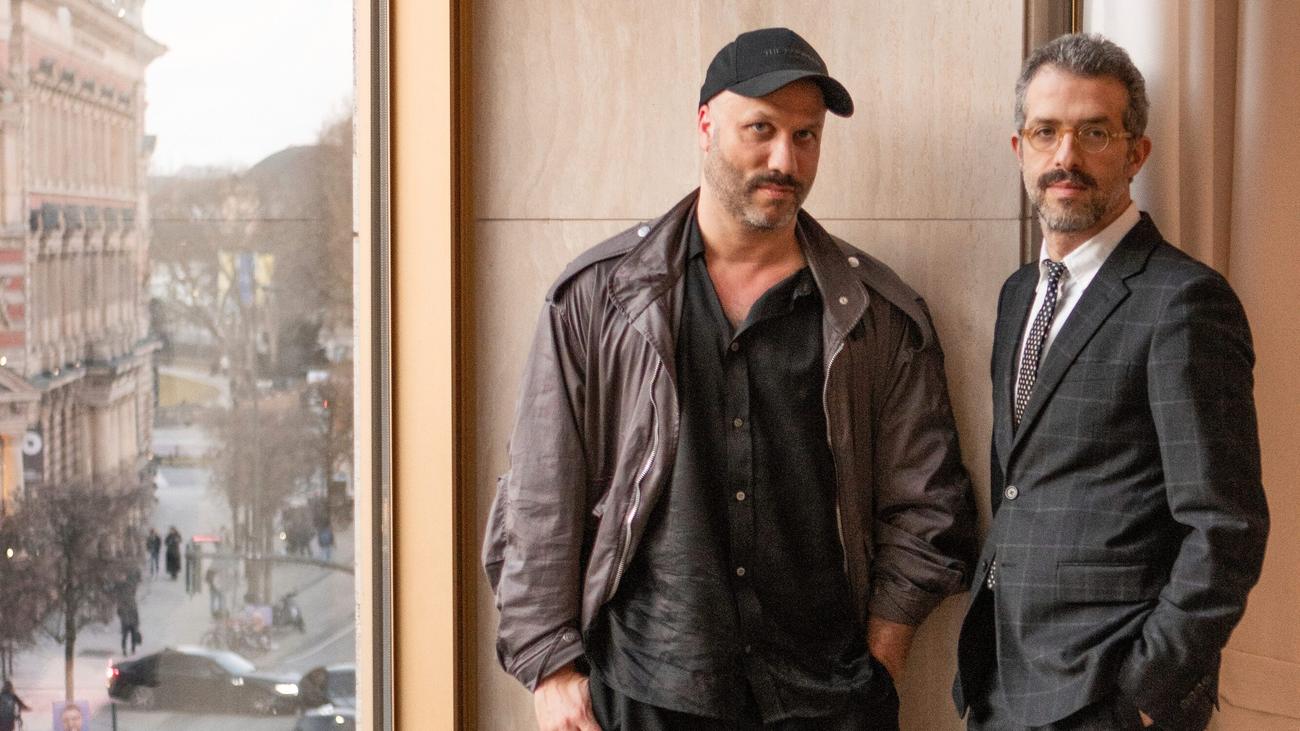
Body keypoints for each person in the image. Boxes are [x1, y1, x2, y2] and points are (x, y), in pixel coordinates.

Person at [483, 27, 977, 731]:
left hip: (827, 697)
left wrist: (882, 661)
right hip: (645, 689)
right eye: (761, 129)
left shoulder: (878, 314)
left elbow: (928, 506)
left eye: (806, 136)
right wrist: (550, 666)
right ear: (705, 125)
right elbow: (540, 493)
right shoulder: (597, 298)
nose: (785, 160)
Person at [952, 34, 1269, 731]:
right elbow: (1020, 481)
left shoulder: (1183, 300)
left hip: (1106, 692)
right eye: (1046, 132)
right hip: (1000, 676)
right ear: (1020, 149)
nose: (1065, 156)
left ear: (1136, 153)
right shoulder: (1018, 294)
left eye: (1094, 132)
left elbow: (1226, 526)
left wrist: (1146, 691)